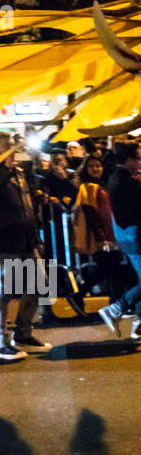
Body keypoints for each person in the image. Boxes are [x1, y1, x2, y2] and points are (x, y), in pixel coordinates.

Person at [0, 131, 52, 361]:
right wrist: (5, 168)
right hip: (5, 239)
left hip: (26, 237)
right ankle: (0, 342)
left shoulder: (19, 172)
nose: (14, 149)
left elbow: (27, 200)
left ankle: (23, 333)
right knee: (4, 291)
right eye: (9, 146)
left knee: (39, 285)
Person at [100, 141, 141, 339]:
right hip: (134, 235)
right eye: (138, 158)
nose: (140, 161)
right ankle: (117, 308)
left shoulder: (117, 179)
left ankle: (139, 323)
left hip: (126, 235)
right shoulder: (127, 182)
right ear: (129, 160)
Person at [71, 153, 119, 317]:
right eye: (92, 166)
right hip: (102, 237)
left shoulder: (100, 185)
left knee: (108, 269)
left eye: (98, 166)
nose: (96, 169)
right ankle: (79, 295)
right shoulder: (89, 187)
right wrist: (102, 237)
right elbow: (91, 212)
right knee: (108, 268)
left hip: (107, 235)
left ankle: (113, 304)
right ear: (86, 169)